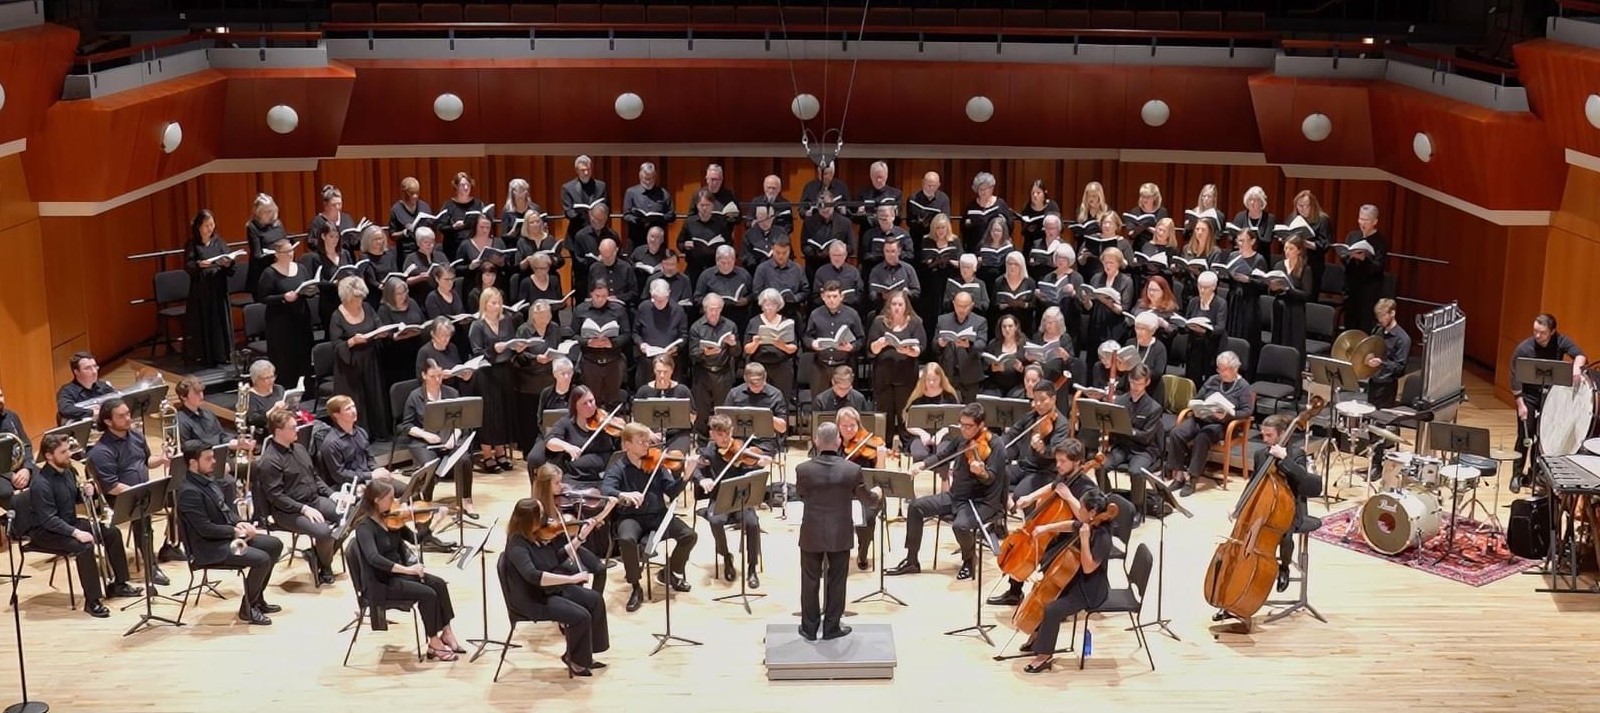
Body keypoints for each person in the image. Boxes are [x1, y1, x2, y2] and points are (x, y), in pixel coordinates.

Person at [20, 434, 140, 617]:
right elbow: (48, 520)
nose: (69, 454)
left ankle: (119, 584)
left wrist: (86, 493)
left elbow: (74, 498)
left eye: (68, 450)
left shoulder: (68, 471)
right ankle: (92, 601)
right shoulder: (41, 484)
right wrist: (76, 532)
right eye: (63, 452)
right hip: (45, 532)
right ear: (49, 456)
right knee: (84, 547)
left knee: (111, 532)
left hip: (68, 522)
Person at [886, 403, 1007, 580]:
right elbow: (942, 455)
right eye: (961, 425)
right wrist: (923, 464)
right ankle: (912, 560)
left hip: (981, 502)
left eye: (969, 426)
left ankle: (970, 560)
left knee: (960, 526)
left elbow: (992, 478)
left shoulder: (995, 445)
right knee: (915, 507)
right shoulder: (961, 439)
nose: (964, 430)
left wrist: (981, 472)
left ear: (981, 425)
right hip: (956, 496)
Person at [351, 476, 464, 661]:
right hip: (381, 583)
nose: (395, 501)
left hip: (398, 576)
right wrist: (409, 570)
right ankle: (434, 643)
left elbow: (415, 538)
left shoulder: (392, 520)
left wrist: (436, 520)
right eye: (391, 498)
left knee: (439, 584)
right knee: (428, 594)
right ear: (377, 501)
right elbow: (374, 559)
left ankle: (447, 633)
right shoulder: (364, 527)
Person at [502, 497, 611, 677]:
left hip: (549, 590)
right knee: (580, 616)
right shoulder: (517, 545)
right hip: (533, 599)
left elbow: (557, 557)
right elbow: (533, 576)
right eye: (541, 514)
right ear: (531, 519)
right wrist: (570, 579)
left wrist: (581, 537)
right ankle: (574, 659)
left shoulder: (535, 536)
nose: (546, 518)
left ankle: (585, 654)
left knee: (594, 600)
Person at [177, 441, 282, 625]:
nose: (214, 461)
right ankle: (247, 609)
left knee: (274, 545)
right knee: (261, 559)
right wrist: (235, 531)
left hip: (224, 540)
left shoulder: (209, 481)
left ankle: (256, 600)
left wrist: (242, 523)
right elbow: (205, 529)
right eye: (208, 458)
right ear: (193, 463)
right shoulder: (189, 492)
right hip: (209, 548)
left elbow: (226, 511)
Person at [795, 422, 880, 641]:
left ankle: (809, 628)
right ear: (838, 441)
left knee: (810, 580)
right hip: (840, 533)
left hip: (811, 532)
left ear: (816, 441)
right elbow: (867, 500)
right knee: (837, 580)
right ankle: (832, 627)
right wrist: (878, 494)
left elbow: (802, 494)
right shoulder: (852, 470)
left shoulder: (803, 469)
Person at [601, 422, 699, 612]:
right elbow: (606, 489)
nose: (647, 445)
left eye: (647, 441)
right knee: (627, 539)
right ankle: (635, 585)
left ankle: (669, 573)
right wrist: (624, 495)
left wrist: (685, 476)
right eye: (641, 442)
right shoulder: (619, 467)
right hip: (630, 517)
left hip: (657, 514)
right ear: (627, 445)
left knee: (689, 535)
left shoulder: (656, 463)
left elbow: (671, 491)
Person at [1018, 488, 1115, 674]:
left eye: (1082, 508)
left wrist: (1085, 540)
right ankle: (1038, 637)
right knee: (1047, 594)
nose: (1078, 511)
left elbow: (1088, 567)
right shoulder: (1089, 523)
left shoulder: (1102, 537)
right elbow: (1072, 525)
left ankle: (1044, 656)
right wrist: (1046, 528)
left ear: (1092, 512)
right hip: (1076, 579)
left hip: (1091, 590)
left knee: (1052, 609)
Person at [990, 439, 1095, 606]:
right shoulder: (1065, 475)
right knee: (1023, 545)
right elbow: (1054, 486)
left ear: (1077, 462)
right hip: (1053, 529)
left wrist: (1069, 497)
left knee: (1045, 555)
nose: (1058, 465)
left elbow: (1085, 518)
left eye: (1062, 461)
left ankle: (1057, 602)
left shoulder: (1087, 487)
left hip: (1072, 533)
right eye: (1057, 460)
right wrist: (1030, 497)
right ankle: (1014, 593)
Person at [88, 398, 175, 583]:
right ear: (108, 422)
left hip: (141, 492)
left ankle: (172, 547)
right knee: (142, 516)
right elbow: (110, 486)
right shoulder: (101, 451)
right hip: (118, 499)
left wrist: (161, 459)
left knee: (179, 495)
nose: (128, 418)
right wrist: (138, 492)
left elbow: (146, 461)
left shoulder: (136, 436)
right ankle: (151, 567)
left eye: (128, 413)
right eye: (122, 416)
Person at [399, 360, 477, 549]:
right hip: (424, 442)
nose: (437, 379)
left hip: (448, 439)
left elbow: (461, 422)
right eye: (433, 376)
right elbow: (406, 426)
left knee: (465, 459)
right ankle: (427, 505)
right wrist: (426, 435)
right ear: (424, 376)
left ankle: (466, 500)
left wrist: (453, 436)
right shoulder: (415, 396)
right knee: (430, 466)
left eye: (440, 375)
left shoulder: (451, 393)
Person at [1243, 414, 1323, 595]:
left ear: (1281, 434)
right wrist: (1239, 506)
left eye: (1269, 435)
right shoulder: (1260, 454)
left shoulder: (1296, 454)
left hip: (1291, 507)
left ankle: (1284, 567)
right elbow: (1253, 482)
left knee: (1284, 532)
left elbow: (1305, 483)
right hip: (1265, 505)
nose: (1264, 439)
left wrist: (1285, 459)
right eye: (1263, 435)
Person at [257, 407, 338, 586]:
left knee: (351, 514)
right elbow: (276, 496)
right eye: (293, 427)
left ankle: (317, 554)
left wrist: (333, 495)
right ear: (279, 432)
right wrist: (303, 508)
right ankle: (326, 565)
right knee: (323, 531)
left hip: (313, 501)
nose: (298, 430)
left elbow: (315, 477)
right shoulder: (269, 461)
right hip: (288, 512)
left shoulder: (300, 448)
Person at [1510, 313, 1587, 488]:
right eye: (1535, 331)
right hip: (1528, 397)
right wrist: (1521, 405)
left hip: (1550, 399)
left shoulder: (1560, 341)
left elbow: (1580, 354)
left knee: (1544, 436)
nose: (1538, 336)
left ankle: (1538, 473)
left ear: (1552, 332)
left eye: (1542, 332)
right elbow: (1515, 379)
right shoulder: (1524, 349)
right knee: (1526, 434)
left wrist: (1576, 368)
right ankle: (1516, 474)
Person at [694, 414, 771, 589]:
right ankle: (726, 556)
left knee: (752, 523)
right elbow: (695, 469)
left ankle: (752, 567)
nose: (725, 438)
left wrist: (761, 462)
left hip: (741, 499)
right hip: (719, 499)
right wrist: (702, 480)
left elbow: (751, 464)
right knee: (715, 521)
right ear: (712, 434)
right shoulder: (707, 452)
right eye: (720, 434)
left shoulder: (740, 450)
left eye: (728, 433)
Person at [1164, 351, 1255, 496]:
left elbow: (1247, 412)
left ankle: (1192, 479)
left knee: (1202, 438)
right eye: (1220, 369)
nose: (1222, 373)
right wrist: (1198, 407)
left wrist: (1228, 415)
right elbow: (1199, 398)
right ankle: (1179, 475)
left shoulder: (1243, 387)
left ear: (1235, 369)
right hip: (1201, 417)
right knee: (1176, 433)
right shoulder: (1213, 380)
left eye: (1225, 370)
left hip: (1222, 424)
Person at [328, 276, 392, 440]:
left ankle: (379, 431)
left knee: (374, 395)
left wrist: (382, 333)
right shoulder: (337, 316)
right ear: (347, 297)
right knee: (357, 400)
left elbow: (378, 325)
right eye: (356, 297)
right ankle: (360, 434)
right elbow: (336, 345)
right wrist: (351, 341)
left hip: (370, 359)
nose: (360, 300)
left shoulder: (368, 307)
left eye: (361, 297)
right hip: (350, 364)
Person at [255, 238, 316, 389]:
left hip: (301, 319)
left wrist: (311, 291)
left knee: (304, 354)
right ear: (277, 254)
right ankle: (286, 389)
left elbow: (308, 287)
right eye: (286, 251)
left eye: (292, 250)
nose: (290, 254)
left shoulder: (301, 268)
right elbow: (262, 297)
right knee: (285, 358)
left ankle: (306, 389)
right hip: (280, 324)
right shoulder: (269, 273)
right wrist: (283, 298)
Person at [184, 209, 238, 366]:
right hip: (202, 291)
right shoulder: (192, 244)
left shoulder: (219, 242)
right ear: (199, 227)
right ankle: (206, 356)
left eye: (212, 224)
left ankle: (223, 354)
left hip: (218, 287)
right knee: (205, 321)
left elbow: (230, 264)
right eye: (207, 225)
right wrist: (199, 264)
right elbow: (188, 265)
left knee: (219, 321)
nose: (210, 228)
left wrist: (228, 263)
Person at [1003, 383, 1073, 501]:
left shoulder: (1061, 424)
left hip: (1043, 471)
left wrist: (1042, 449)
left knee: (1020, 495)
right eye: (1035, 400)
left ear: (1053, 398)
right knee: (995, 476)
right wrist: (997, 445)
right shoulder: (1031, 416)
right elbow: (1012, 434)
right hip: (1024, 466)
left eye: (1042, 400)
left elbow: (1056, 452)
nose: (1038, 404)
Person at [1104, 364, 1166, 484]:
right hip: (1122, 447)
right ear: (1129, 380)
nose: (1135, 387)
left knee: (1136, 471)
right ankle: (1106, 498)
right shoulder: (1119, 401)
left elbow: (1146, 437)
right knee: (1101, 466)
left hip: (1143, 450)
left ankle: (1136, 503)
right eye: (1133, 383)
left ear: (1147, 383)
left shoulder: (1154, 408)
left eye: (1139, 384)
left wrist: (1126, 429)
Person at [545, 386, 620, 484]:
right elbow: (550, 441)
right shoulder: (566, 423)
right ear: (575, 406)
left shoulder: (604, 420)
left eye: (591, 401)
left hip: (606, 476)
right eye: (584, 403)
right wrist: (568, 447)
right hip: (578, 478)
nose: (590, 406)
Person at [688, 293, 740, 435]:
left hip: (723, 373)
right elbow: (692, 354)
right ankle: (702, 441)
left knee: (723, 411)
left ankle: (723, 441)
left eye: (717, 309)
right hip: (703, 373)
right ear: (705, 309)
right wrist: (705, 353)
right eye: (711, 309)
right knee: (702, 411)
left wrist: (733, 344)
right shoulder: (696, 327)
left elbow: (737, 353)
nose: (714, 312)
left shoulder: (730, 325)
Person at [723, 363, 789, 457]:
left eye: (759, 383)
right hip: (738, 439)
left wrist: (765, 416)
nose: (756, 386)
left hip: (765, 441)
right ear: (745, 379)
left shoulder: (776, 394)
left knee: (751, 456)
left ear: (765, 378)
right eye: (752, 384)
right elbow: (724, 420)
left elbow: (782, 428)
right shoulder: (734, 393)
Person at [1342, 204, 1388, 333]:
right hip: (1352, 287)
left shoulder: (1380, 241)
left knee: (1365, 324)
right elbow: (1345, 259)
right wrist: (1348, 256)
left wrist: (1365, 259)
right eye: (1360, 219)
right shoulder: (1353, 236)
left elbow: (1378, 267)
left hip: (1369, 290)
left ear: (1374, 222)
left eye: (1366, 220)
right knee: (1350, 323)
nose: (1362, 223)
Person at [1365, 299, 1412, 408]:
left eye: (1382, 315)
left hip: (1386, 387)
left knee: (1380, 420)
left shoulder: (1402, 339)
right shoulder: (1378, 331)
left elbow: (1400, 368)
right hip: (1373, 382)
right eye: (1378, 316)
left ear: (1392, 313)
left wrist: (1381, 363)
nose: (1380, 319)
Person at [0, 385, 37, 509]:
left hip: (20, 466)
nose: (0, 400)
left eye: (1, 396)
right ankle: (17, 526)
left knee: (46, 479)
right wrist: (12, 476)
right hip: (2, 473)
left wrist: (27, 468)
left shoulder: (11, 416)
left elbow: (25, 444)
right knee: (6, 493)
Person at [55, 351, 115, 425]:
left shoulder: (104, 386)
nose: (94, 371)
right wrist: (91, 412)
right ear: (76, 372)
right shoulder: (67, 391)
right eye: (87, 368)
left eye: (95, 366)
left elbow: (118, 403)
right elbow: (65, 409)